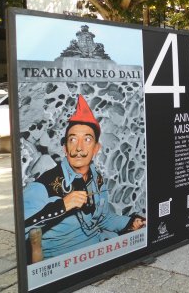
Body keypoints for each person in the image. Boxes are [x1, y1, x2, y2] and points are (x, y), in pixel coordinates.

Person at [24, 95, 146, 261]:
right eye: (72, 139)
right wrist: (61, 206)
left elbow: (105, 218)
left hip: (102, 248)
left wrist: (131, 223)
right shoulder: (42, 187)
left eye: (87, 139)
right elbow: (23, 230)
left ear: (96, 148)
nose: (79, 148)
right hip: (65, 264)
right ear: (65, 148)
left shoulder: (96, 178)